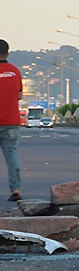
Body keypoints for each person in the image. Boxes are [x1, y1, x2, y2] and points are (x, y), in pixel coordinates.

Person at [0, 40, 22, 202]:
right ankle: (15, 188)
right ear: (7, 53)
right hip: (11, 120)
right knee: (11, 154)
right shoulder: (15, 71)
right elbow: (19, 95)